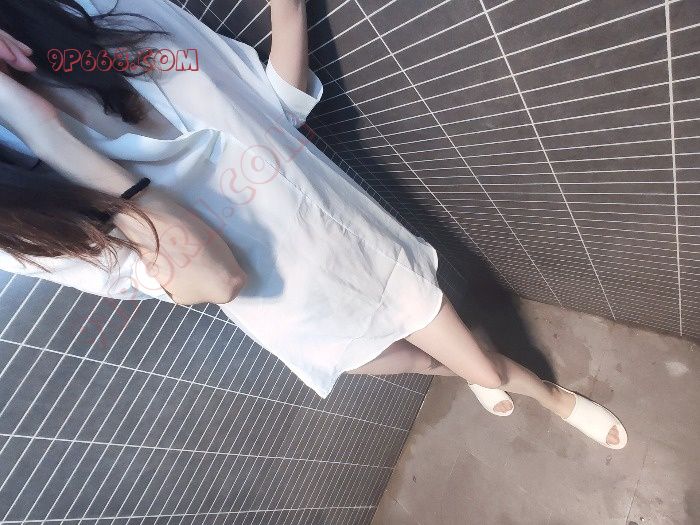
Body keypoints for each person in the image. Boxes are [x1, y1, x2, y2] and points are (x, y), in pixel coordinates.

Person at [0, 0, 626, 449]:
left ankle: (549, 396)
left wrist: (288, 11)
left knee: (479, 365)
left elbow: (274, 109)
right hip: (285, 306)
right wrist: (44, 133)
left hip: (342, 239)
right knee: (423, 361)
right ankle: (471, 369)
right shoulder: (20, 209)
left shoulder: (111, 18)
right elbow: (210, 279)